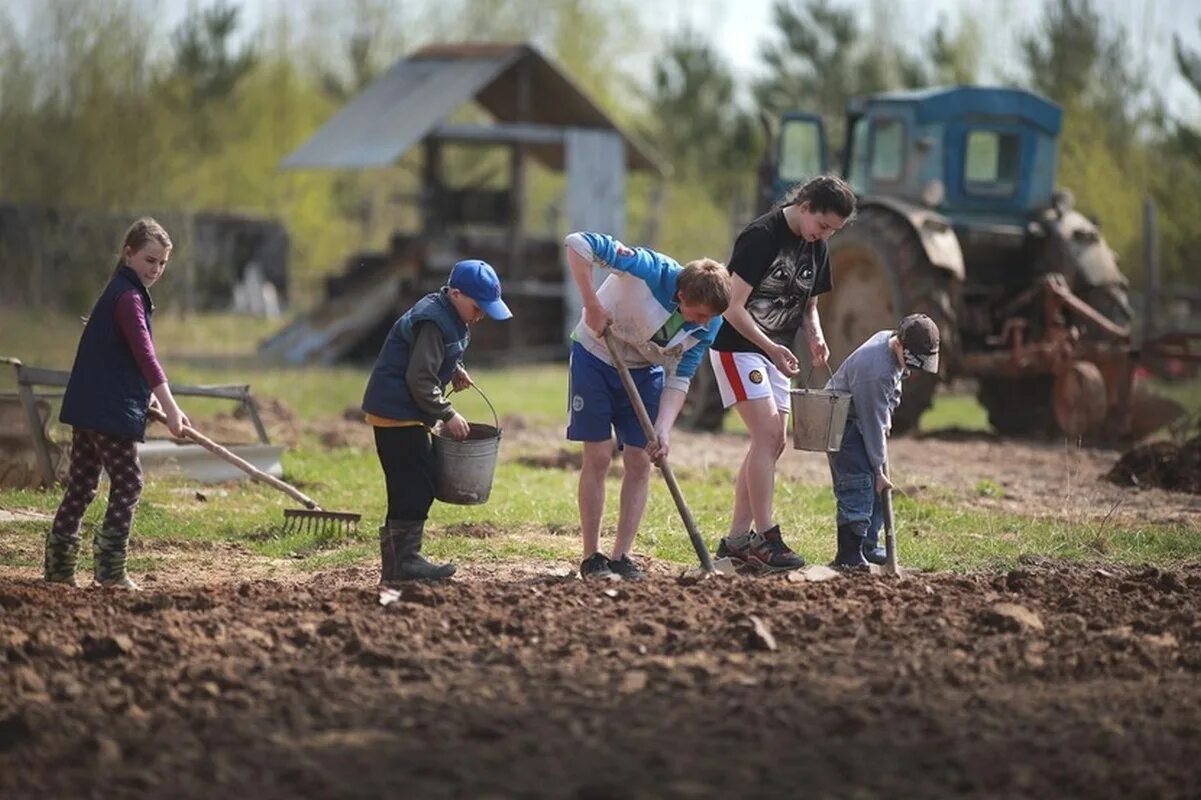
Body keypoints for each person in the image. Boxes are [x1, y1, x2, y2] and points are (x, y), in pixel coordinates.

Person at [710, 175, 857, 571]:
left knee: (773, 444)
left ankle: (737, 540)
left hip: (776, 354)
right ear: (805, 205)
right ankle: (765, 536)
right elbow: (732, 307)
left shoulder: (817, 246)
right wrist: (771, 347)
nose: (824, 235)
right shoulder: (761, 236)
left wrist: (815, 336)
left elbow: (808, 304)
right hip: (739, 348)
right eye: (823, 225)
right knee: (768, 435)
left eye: (833, 231)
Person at [566, 231, 730, 580]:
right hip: (595, 354)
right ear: (681, 295)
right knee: (597, 456)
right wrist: (591, 304)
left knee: (640, 459)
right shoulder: (647, 268)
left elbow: (679, 377)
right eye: (698, 314)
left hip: (643, 370)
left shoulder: (709, 323)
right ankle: (591, 556)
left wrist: (664, 429)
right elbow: (577, 243)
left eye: (709, 318)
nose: (703, 323)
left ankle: (622, 556)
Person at [43, 217, 190, 590]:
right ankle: (109, 571)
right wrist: (171, 408)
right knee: (129, 483)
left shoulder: (121, 292)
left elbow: (118, 364)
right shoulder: (127, 298)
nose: (155, 270)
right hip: (106, 413)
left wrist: (143, 402)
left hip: (91, 407)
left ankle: (59, 570)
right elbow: (146, 357)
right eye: (149, 260)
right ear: (129, 254)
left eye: (161, 263)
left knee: (81, 485)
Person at [362, 259, 512, 584]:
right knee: (414, 485)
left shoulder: (451, 315)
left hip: (408, 413)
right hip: (397, 412)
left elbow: (433, 357)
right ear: (456, 294)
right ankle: (405, 564)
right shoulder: (432, 320)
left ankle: (400, 565)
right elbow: (419, 378)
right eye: (477, 307)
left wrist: (454, 369)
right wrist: (447, 413)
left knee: (415, 483)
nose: (481, 315)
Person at [826, 313, 941, 568]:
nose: (911, 369)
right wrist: (878, 468)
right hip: (842, 423)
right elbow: (872, 422)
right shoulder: (875, 371)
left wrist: (888, 415)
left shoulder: (892, 345)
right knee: (860, 485)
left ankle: (868, 546)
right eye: (910, 361)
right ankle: (848, 555)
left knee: (877, 488)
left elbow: (892, 390)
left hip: (860, 417)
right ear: (899, 345)